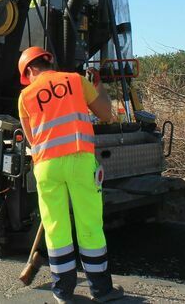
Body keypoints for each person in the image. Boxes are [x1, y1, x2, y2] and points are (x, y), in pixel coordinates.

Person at [17, 47, 124, 303]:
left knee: (56, 229)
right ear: (47, 62)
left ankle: (63, 292)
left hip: (46, 167)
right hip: (79, 160)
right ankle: (101, 290)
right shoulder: (76, 81)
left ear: (30, 70)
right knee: (89, 225)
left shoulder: (25, 96)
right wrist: (99, 88)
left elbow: (31, 138)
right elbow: (106, 114)